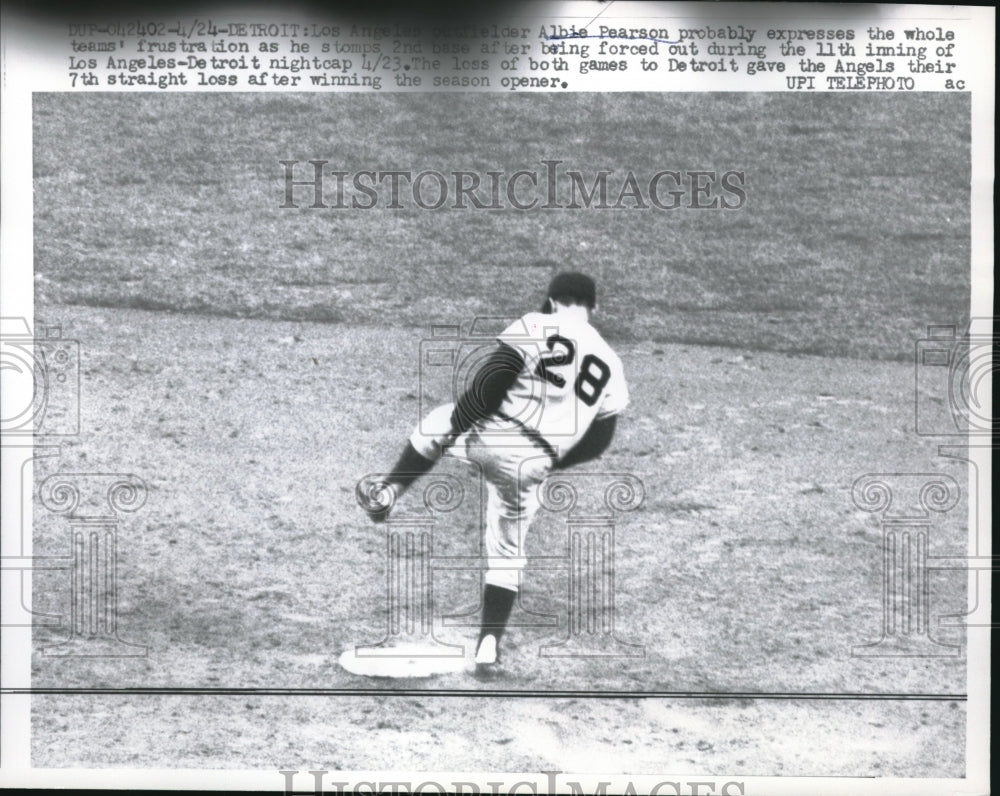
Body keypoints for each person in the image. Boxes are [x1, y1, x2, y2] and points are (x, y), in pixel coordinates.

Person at [359, 272, 629, 671]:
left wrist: (457, 429)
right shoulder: (611, 363)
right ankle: (488, 645)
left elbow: (489, 388)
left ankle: (388, 492)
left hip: (492, 435)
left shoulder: (534, 324)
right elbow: (599, 442)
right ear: (594, 307)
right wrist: (550, 464)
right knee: (507, 551)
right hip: (534, 463)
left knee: (436, 422)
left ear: (553, 301)